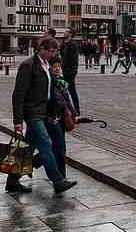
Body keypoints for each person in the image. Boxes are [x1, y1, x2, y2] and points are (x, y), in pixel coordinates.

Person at [8, 38, 76, 195]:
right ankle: (58, 181)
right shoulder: (28, 65)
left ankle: (12, 181)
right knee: (46, 143)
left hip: (43, 112)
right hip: (32, 112)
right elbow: (18, 94)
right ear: (42, 49)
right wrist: (17, 120)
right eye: (51, 51)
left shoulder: (46, 65)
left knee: (28, 147)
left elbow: (51, 92)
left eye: (55, 52)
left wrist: (54, 113)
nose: (53, 55)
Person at [60, 37, 81, 114]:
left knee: (71, 92)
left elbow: (74, 59)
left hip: (69, 72)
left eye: (66, 31)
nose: (64, 33)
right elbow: (62, 56)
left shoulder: (73, 45)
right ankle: (71, 110)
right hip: (64, 71)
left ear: (70, 34)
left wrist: (73, 71)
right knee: (64, 92)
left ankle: (76, 110)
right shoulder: (65, 44)